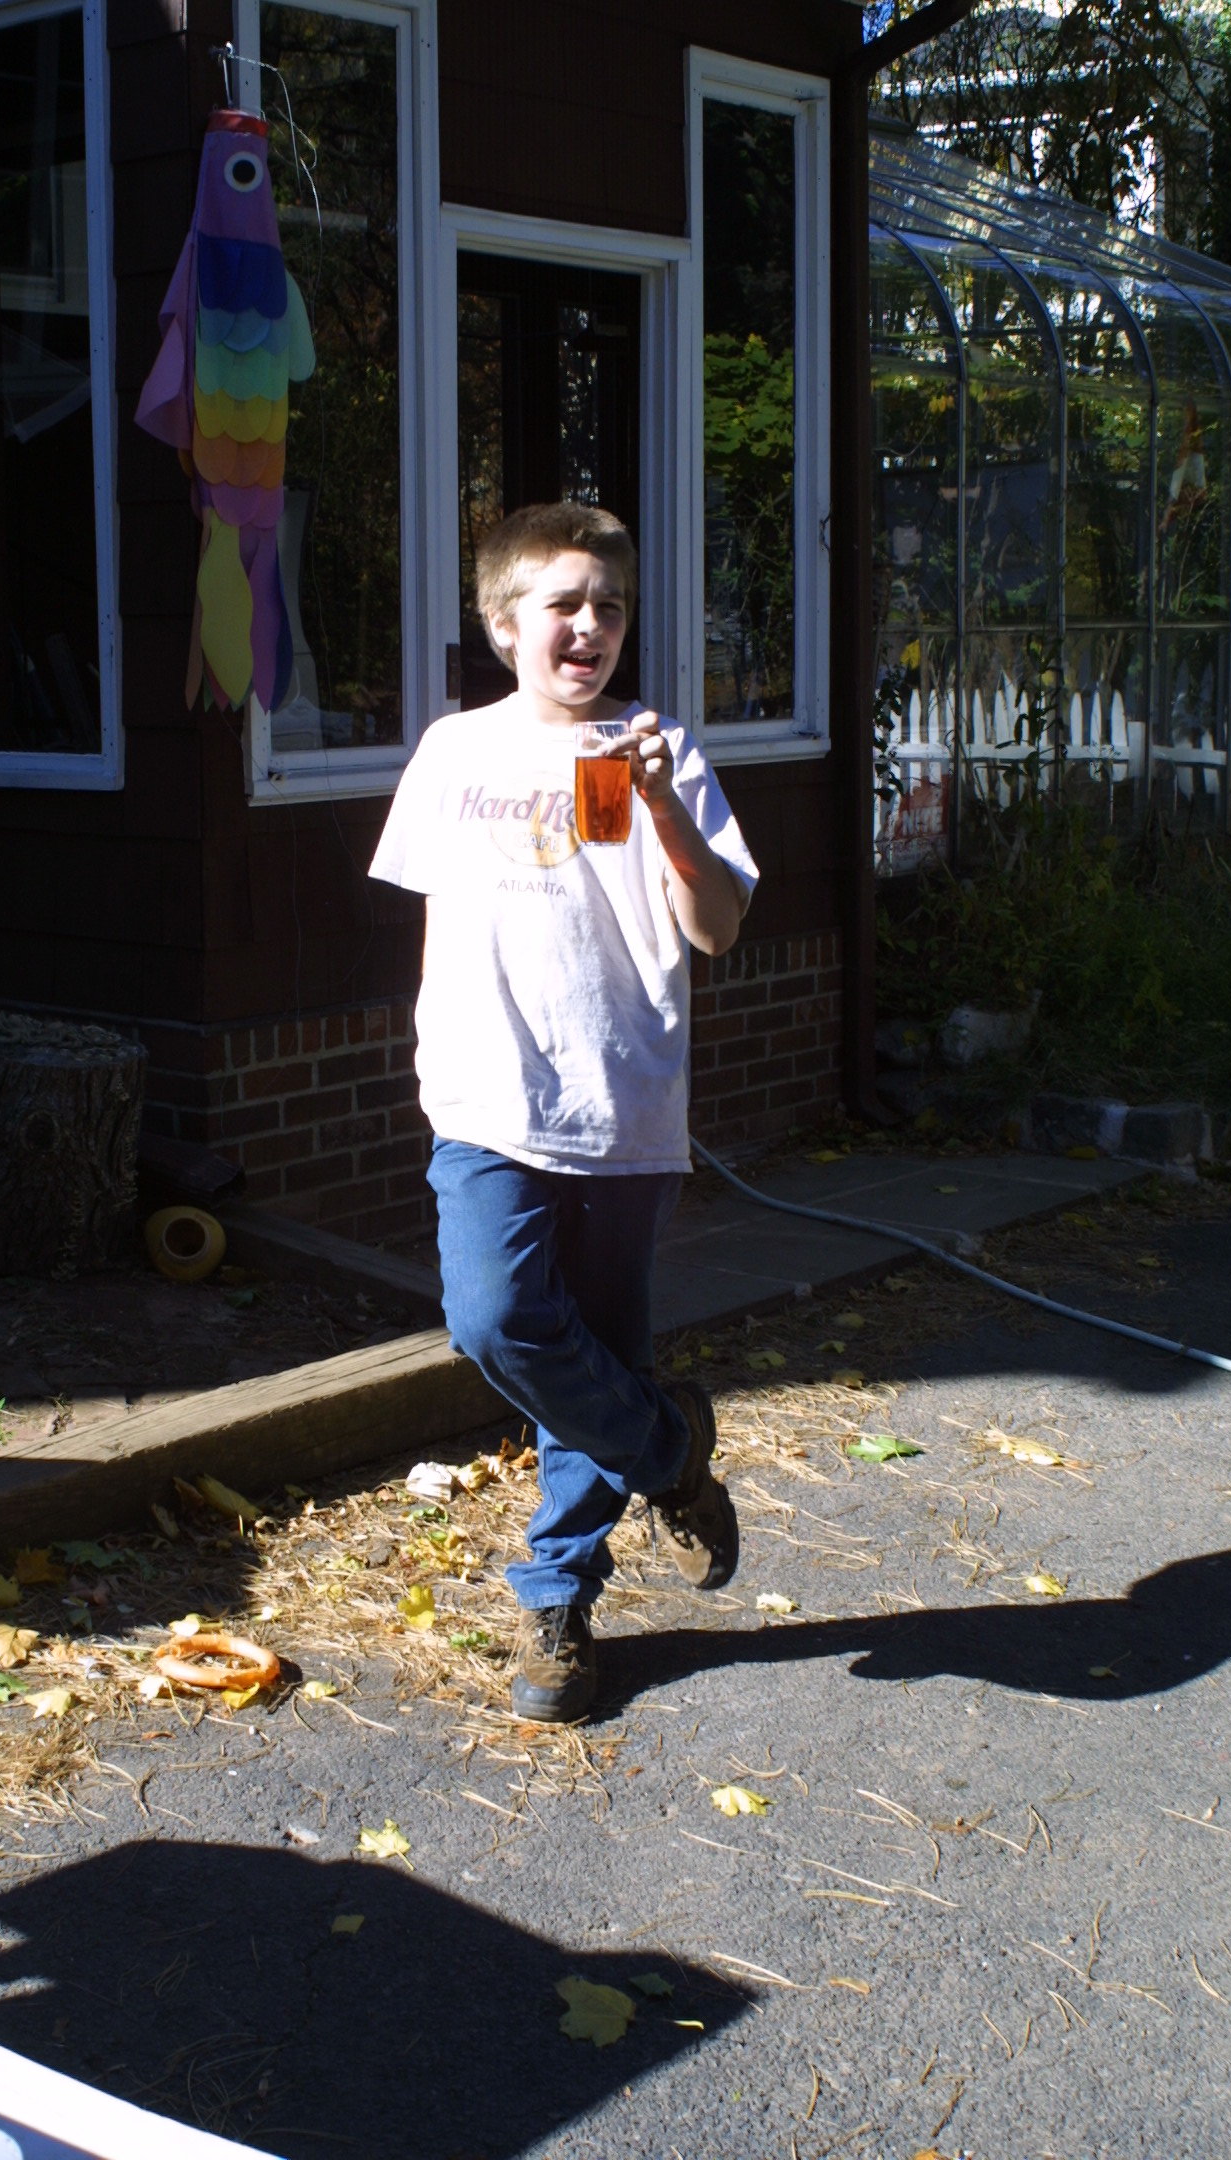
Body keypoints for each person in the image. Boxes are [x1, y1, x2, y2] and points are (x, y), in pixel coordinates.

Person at [368, 502, 758, 1722]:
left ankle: (558, 1602)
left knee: (599, 1352)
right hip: (487, 1101)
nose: (590, 625)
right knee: (496, 1319)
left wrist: (661, 805)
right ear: (504, 624)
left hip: (622, 1100)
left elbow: (718, 929)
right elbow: (441, 919)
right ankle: (669, 1453)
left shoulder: (660, 750)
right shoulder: (454, 752)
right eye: (564, 604)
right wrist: (440, 1060)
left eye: (612, 606)